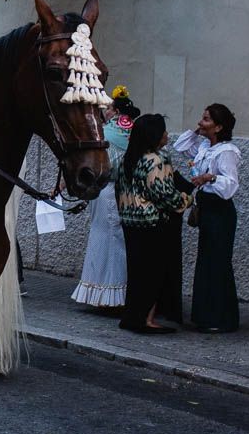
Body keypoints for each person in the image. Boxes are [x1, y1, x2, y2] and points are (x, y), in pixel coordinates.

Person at [114, 113, 193, 334]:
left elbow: (118, 189)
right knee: (154, 273)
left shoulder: (125, 159)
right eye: (164, 131)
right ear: (154, 135)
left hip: (130, 221)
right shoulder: (156, 160)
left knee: (136, 272)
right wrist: (187, 199)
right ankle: (146, 319)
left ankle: (132, 316)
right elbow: (165, 194)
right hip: (152, 223)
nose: (167, 135)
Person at [175, 104, 242, 333]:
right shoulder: (205, 147)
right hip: (206, 210)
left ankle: (222, 318)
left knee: (218, 262)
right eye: (202, 118)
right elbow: (180, 146)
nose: (201, 122)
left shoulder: (227, 152)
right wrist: (198, 130)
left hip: (220, 211)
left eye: (206, 119)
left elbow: (230, 186)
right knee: (206, 261)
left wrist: (211, 178)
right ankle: (205, 316)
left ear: (219, 127)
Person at [72, 87, 137, 309]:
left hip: (107, 189)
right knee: (116, 239)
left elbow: (97, 164)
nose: (104, 112)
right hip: (125, 191)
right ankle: (114, 293)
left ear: (115, 110)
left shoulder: (107, 132)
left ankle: (108, 294)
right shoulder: (131, 130)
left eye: (107, 108)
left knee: (105, 238)